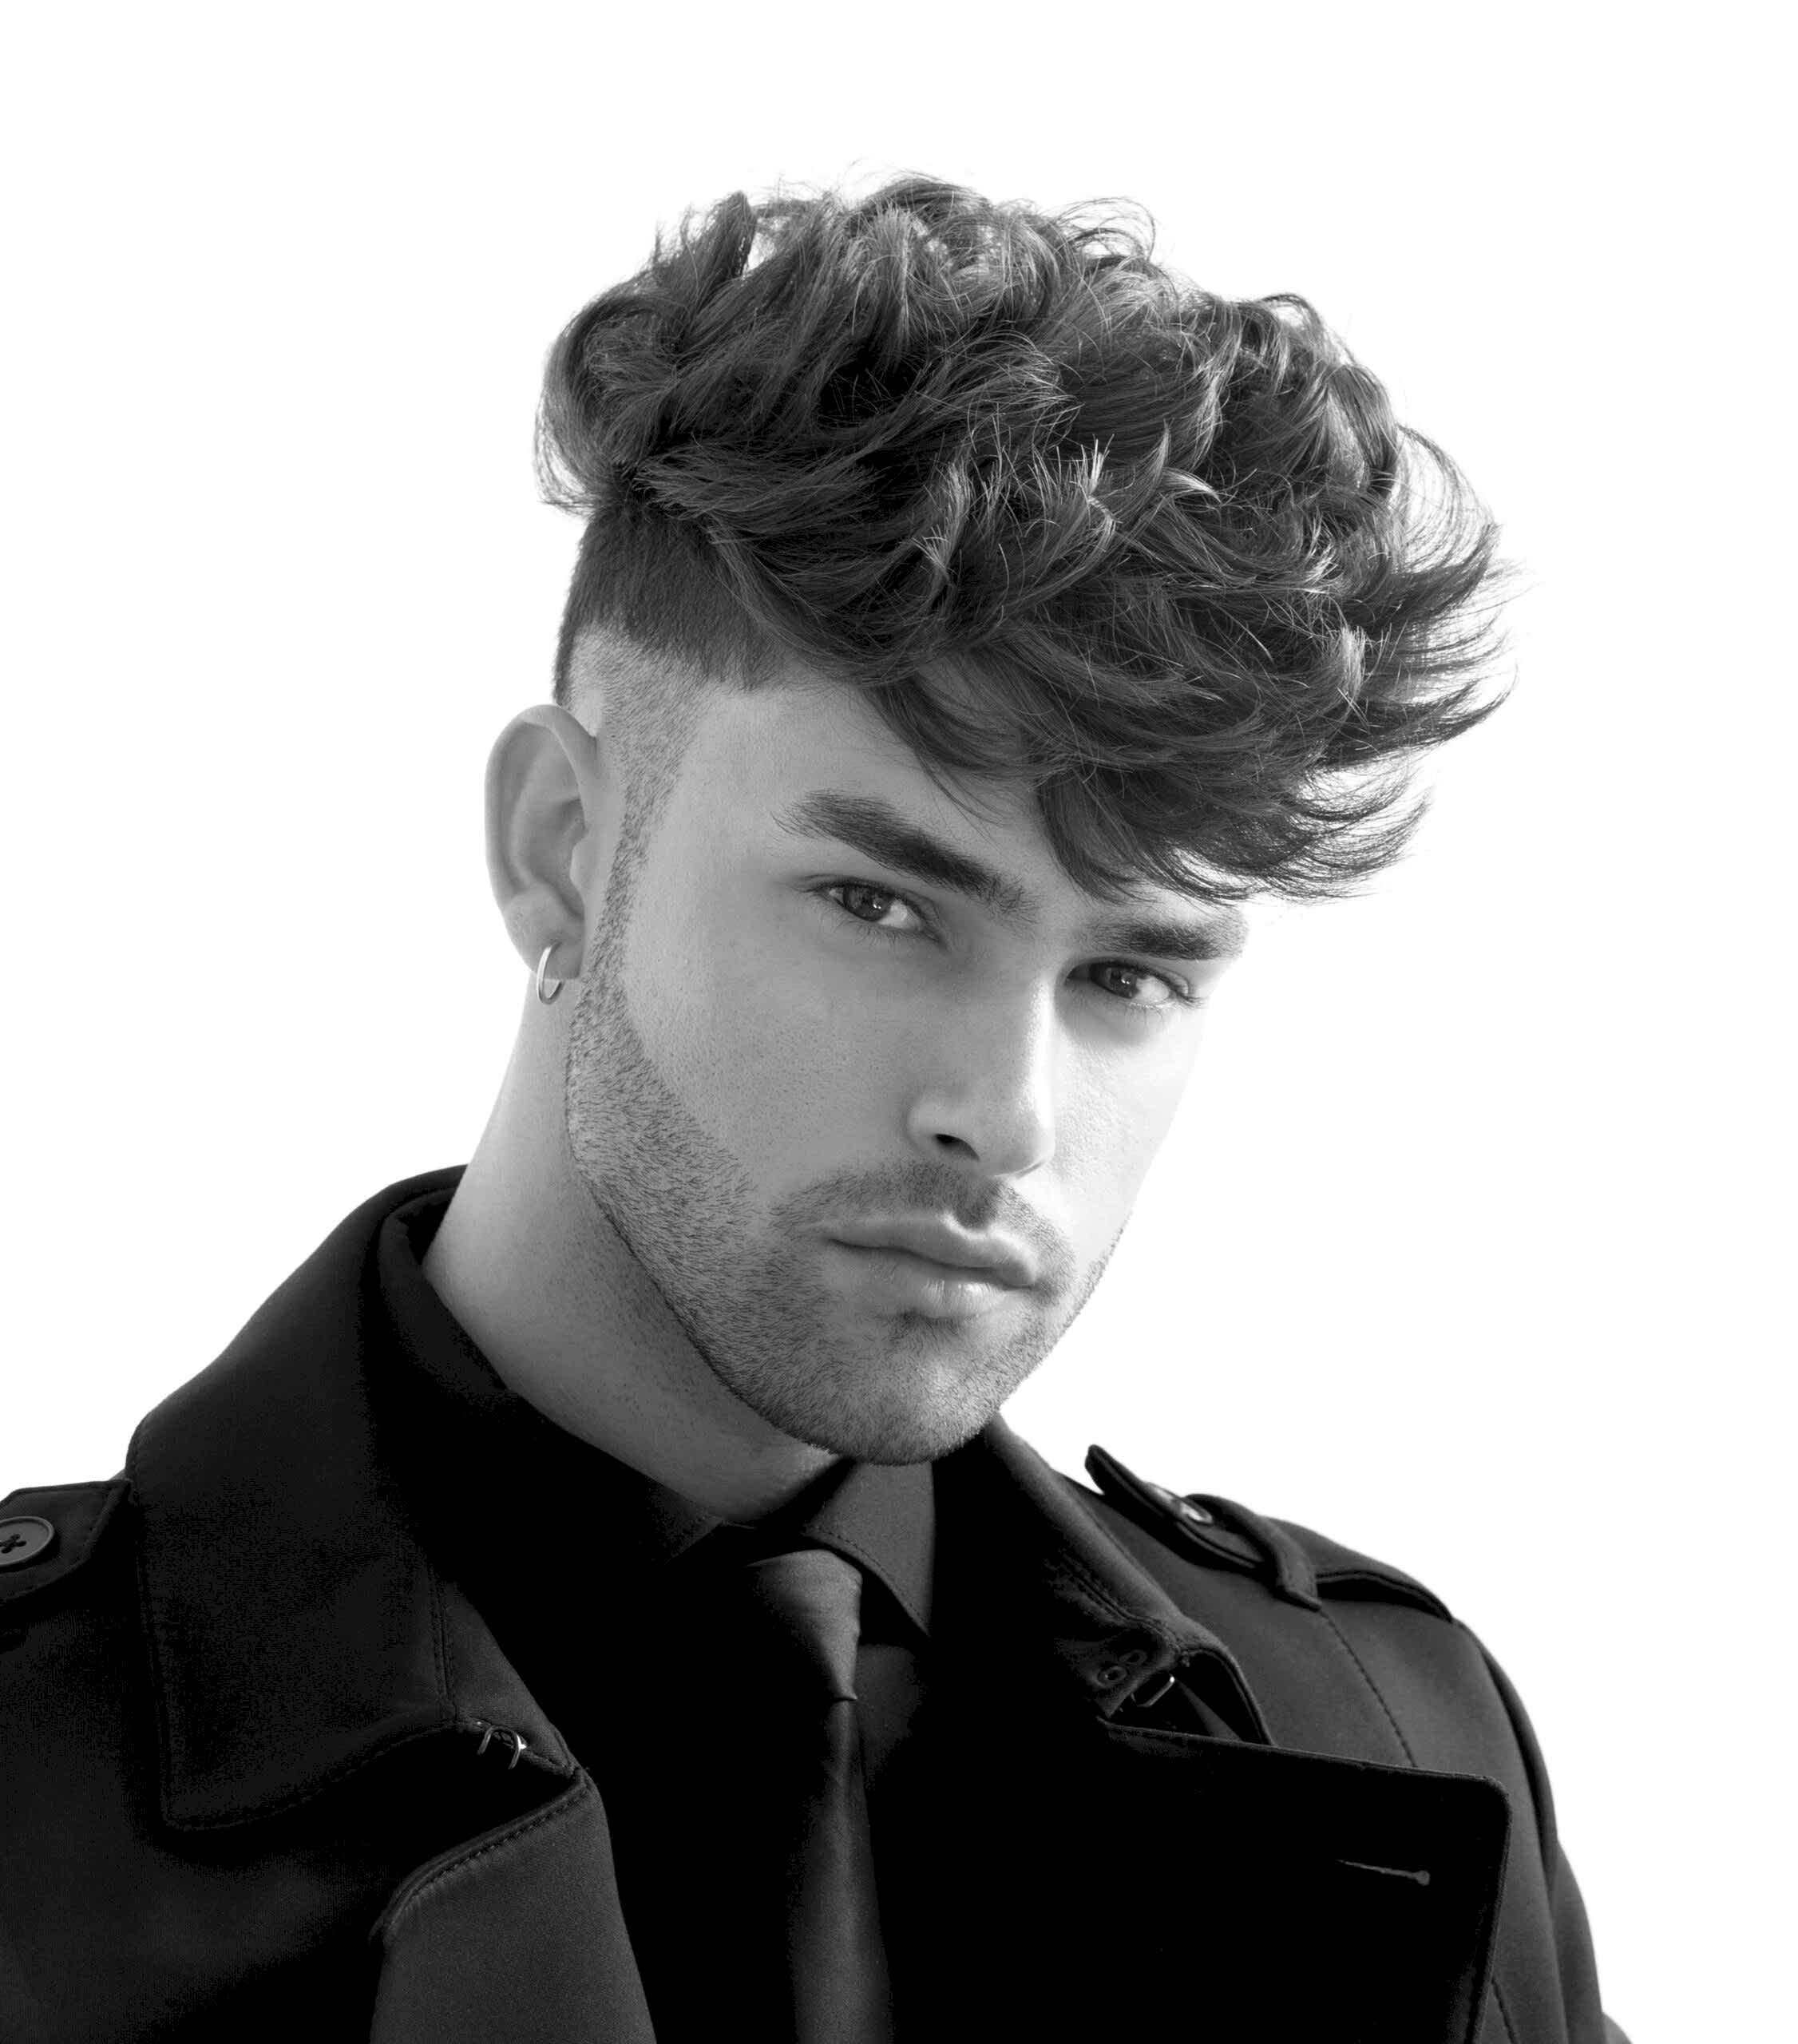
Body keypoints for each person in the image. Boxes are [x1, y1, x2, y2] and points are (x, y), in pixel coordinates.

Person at [0, 176, 1628, 2043]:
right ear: (561, 844)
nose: (1004, 1114)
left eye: (1129, 975)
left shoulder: (1394, 1729)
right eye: (879, 904)